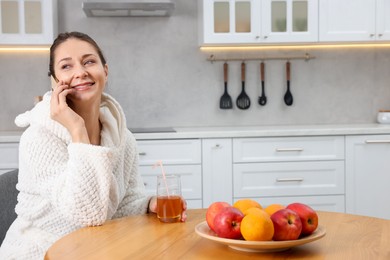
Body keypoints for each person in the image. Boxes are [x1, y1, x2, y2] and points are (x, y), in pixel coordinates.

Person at [0, 31, 187, 259]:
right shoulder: (39, 138)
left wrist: (149, 204)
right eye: (66, 66)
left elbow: (120, 205)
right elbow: (88, 215)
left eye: (89, 61)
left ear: (105, 71)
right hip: (41, 252)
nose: (80, 72)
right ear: (56, 81)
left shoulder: (122, 137)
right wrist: (78, 130)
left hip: (95, 250)